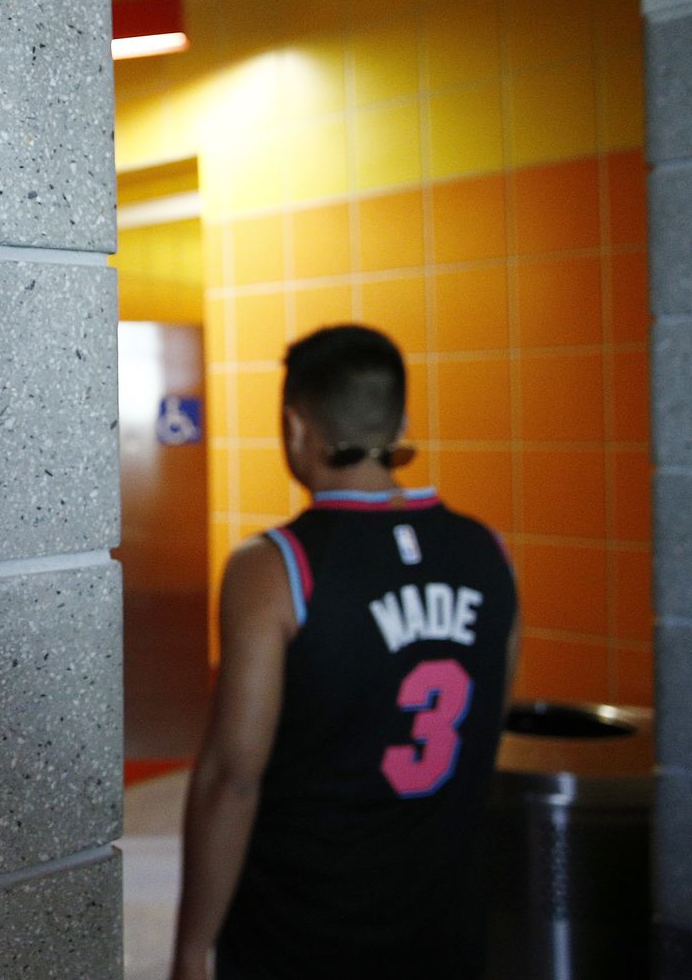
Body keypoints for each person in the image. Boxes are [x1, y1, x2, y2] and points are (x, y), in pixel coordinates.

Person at [171, 325, 519, 980]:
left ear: (297, 429)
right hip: (445, 925)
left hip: (302, 930)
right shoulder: (489, 553)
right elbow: (485, 728)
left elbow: (231, 780)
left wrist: (192, 950)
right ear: (401, 423)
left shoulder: (275, 568)